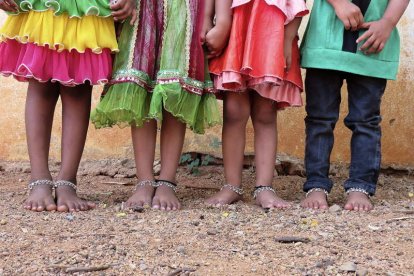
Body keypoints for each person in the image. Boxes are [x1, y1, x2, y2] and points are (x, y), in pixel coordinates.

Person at [0, 0, 134, 212]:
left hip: (88, 6)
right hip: (43, 6)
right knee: (41, 82)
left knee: (78, 87)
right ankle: (39, 178)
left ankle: (67, 181)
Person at [91, 0, 221, 211]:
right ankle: (145, 180)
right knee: (141, 89)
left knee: (175, 87)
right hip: (142, 7)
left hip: (186, 9)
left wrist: (209, 16)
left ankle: (167, 181)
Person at [300, 0, 410, 211]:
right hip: (326, 42)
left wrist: (387, 22)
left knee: (366, 121)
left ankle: (361, 186)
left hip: (371, 44)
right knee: (319, 120)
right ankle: (316, 185)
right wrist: (339, 3)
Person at [205, 0, 308, 208]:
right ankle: (231, 185)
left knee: (265, 113)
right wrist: (215, 21)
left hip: (273, 32)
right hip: (237, 28)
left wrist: (288, 38)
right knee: (234, 111)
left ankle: (264, 187)